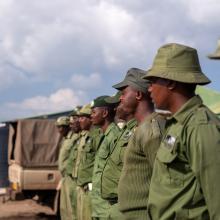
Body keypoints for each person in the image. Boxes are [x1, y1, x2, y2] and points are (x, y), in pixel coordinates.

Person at [144, 43, 220, 219]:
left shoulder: (200, 127)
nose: (149, 88)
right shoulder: (178, 124)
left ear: (170, 82)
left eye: (153, 81)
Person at [107, 68, 165, 220]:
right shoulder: (140, 128)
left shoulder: (151, 129)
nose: (121, 98)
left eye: (124, 93)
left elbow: (163, 180)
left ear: (138, 94)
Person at [90, 95, 120, 220]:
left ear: (105, 113)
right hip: (98, 205)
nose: (91, 115)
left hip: (107, 207)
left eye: (93, 112)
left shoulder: (114, 136)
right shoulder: (104, 136)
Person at [56, 113, 81, 220]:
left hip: (71, 177)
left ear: (67, 127)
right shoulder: (65, 139)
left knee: (72, 208)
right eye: (58, 127)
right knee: (64, 207)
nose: (59, 129)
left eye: (62, 126)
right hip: (65, 177)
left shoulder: (74, 138)